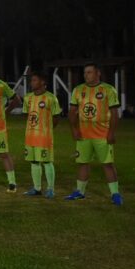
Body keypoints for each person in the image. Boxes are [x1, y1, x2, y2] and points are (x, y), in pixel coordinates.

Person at [65, 63, 123, 205]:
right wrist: (74, 129)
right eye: (85, 72)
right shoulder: (78, 90)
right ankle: (80, 192)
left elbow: (115, 114)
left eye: (89, 72)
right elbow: (72, 112)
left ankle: (115, 194)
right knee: (83, 163)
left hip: (102, 135)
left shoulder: (108, 90)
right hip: (84, 135)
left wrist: (111, 133)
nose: (86, 75)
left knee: (107, 164)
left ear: (98, 73)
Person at [22, 72, 61, 198]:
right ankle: (37, 188)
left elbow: (56, 117)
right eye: (31, 80)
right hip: (30, 135)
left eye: (34, 80)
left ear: (43, 82)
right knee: (34, 162)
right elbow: (26, 114)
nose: (31, 83)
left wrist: (47, 129)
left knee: (47, 161)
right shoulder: (28, 97)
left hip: (44, 136)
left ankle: (50, 189)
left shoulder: (51, 98)